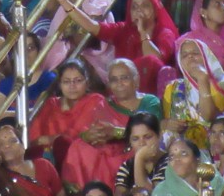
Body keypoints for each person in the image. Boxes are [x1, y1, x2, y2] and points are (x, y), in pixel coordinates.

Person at [56, 0, 178, 94]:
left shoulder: (165, 34)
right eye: (134, 7)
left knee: (149, 61)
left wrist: (143, 33)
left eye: (145, 5)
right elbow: (92, 26)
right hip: (123, 88)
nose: (139, 10)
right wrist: (64, 2)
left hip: (154, 92)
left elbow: (155, 60)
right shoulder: (123, 30)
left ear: (156, 10)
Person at [62, 59, 162, 189]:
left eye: (124, 78)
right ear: (109, 84)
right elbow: (85, 131)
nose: (119, 83)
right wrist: (91, 135)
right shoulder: (103, 104)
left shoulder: (149, 101)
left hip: (137, 146)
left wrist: (117, 132)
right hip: (109, 149)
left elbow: (151, 130)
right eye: (114, 80)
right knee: (79, 146)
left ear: (136, 80)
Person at [0, 118, 65, 196]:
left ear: (22, 147)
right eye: (0, 144)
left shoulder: (43, 165)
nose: (7, 145)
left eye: (13, 141)